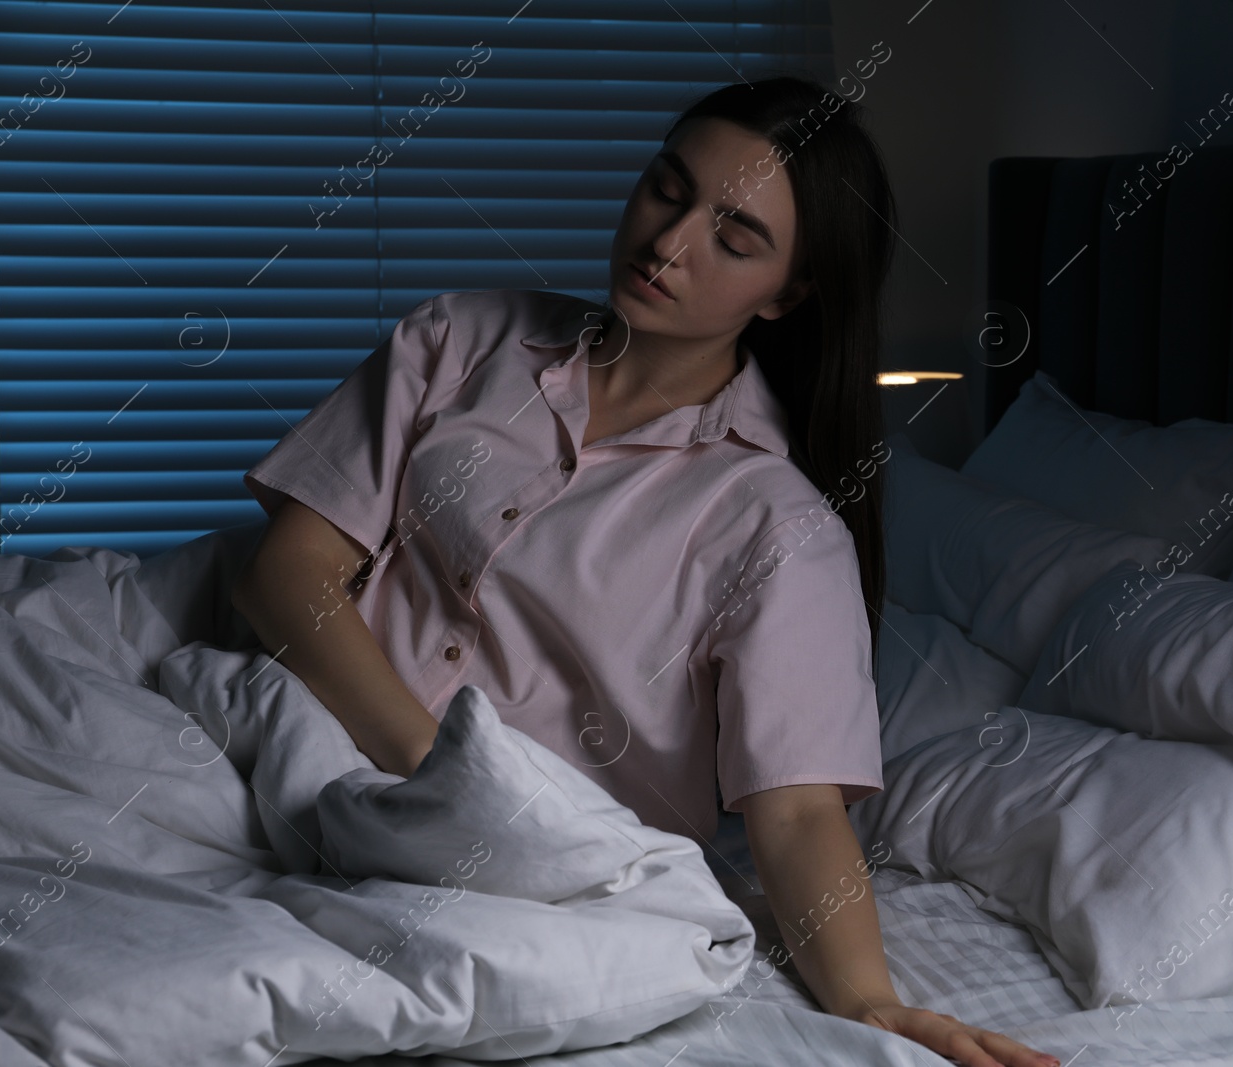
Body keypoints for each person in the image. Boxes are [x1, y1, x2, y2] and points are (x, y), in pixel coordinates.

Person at [232, 75, 1060, 1067]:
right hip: (283, 749)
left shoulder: (777, 526)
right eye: (667, 188)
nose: (667, 243)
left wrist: (871, 999)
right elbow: (287, 574)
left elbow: (795, 810)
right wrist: (434, 772)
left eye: (734, 236)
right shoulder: (457, 337)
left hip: (514, 868)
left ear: (788, 293)